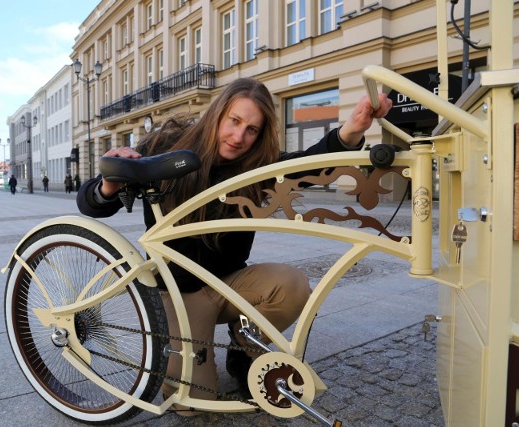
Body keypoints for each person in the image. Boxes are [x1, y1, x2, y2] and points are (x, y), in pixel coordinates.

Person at [76, 77, 392, 411]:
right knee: (193, 404)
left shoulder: (257, 164)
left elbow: (307, 167)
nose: (239, 137)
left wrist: (353, 129)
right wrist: (111, 181)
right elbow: (92, 203)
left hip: (227, 283)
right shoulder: (167, 145)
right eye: (235, 122)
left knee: (292, 285)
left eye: (252, 129)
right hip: (176, 292)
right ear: (218, 114)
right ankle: (186, 350)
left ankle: (243, 351)